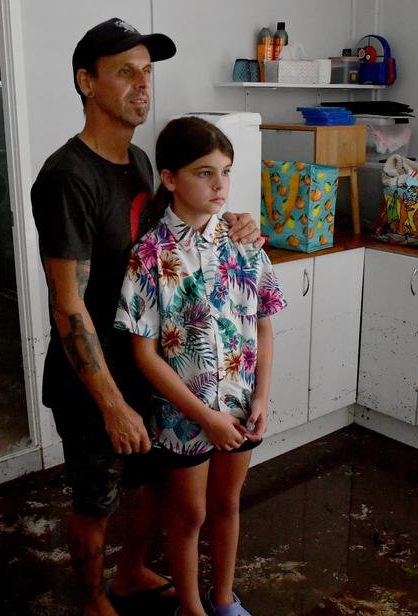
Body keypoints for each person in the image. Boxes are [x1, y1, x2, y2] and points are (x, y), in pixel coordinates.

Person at [29, 19, 261, 616]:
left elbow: (178, 231)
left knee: (160, 487)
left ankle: (131, 573)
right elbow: (67, 302)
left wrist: (236, 223)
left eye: (147, 72)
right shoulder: (66, 177)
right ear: (87, 82)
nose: (142, 85)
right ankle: (92, 602)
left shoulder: (136, 160)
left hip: (150, 365)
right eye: (125, 72)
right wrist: (110, 402)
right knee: (97, 501)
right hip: (93, 381)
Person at [115, 117, 285, 616]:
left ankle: (225, 599)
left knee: (229, 505)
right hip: (183, 416)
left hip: (240, 409)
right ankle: (191, 608)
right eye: (204, 173)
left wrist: (261, 399)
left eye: (225, 173)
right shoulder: (149, 256)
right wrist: (204, 417)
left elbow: (264, 325)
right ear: (169, 178)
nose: (219, 186)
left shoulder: (244, 244)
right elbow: (144, 354)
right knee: (189, 514)